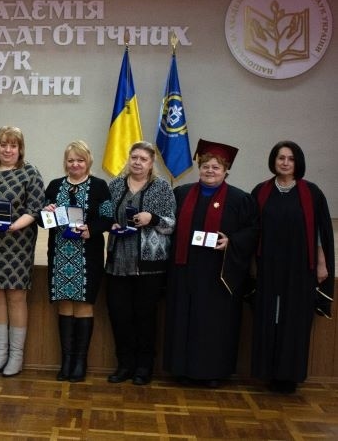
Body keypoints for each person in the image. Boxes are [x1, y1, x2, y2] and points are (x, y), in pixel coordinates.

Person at [163, 139, 258, 388]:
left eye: (216, 167)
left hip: (218, 274)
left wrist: (232, 241)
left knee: (213, 323)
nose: (210, 171)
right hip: (184, 271)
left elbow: (253, 231)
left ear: (226, 170)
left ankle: (212, 372)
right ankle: (181, 369)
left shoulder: (240, 199)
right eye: (205, 166)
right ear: (199, 168)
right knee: (183, 318)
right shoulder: (181, 194)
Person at [250, 141, 334, 394]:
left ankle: (289, 376)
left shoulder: (311, 193)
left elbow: (320, 233)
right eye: (281, 158)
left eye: (291, 159)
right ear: (273, 161)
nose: (285, 163)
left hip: (299, 268)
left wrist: (322, 263)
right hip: (268, 266)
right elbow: (251, 231)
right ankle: (268, 372)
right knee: (269, 318)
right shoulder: (261, 191)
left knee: (294, 320)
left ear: (298, 163)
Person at [41, 140, 114, 383]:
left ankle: (80, 362)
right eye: (71, 160)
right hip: (60, 255)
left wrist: (90, 229)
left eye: (80, 160)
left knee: (83, 304)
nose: (75, 164)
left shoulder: (99, 186)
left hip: (87, 256)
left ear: (88, 161)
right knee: (64, 305)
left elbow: (107, 218)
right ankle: (67, 361)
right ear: (65, 162)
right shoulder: (54, 185)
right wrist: (47, 212)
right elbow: (42, 221)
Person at [105, 141, 175, 385]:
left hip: (149, 266)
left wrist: (151, 218)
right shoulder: (115, 185)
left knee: (145, 317)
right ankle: (124, 365)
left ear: (151, 163)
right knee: (120, 316)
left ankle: (144, 367)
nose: (137, 162)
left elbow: (171, 224)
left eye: (143, 159)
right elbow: (104, 214)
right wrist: (110, 224)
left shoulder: (162, 187)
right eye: (134, 157)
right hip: (118, 263)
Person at [0, 126, 44, 377]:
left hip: (17, 245)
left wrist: (15, 226)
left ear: (20, 148)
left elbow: (35, 208)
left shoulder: (30, 172)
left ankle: (16, 356)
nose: (7, 150)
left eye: (13, 145)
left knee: (16, 298)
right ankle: (0, 354)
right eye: (3, 144)